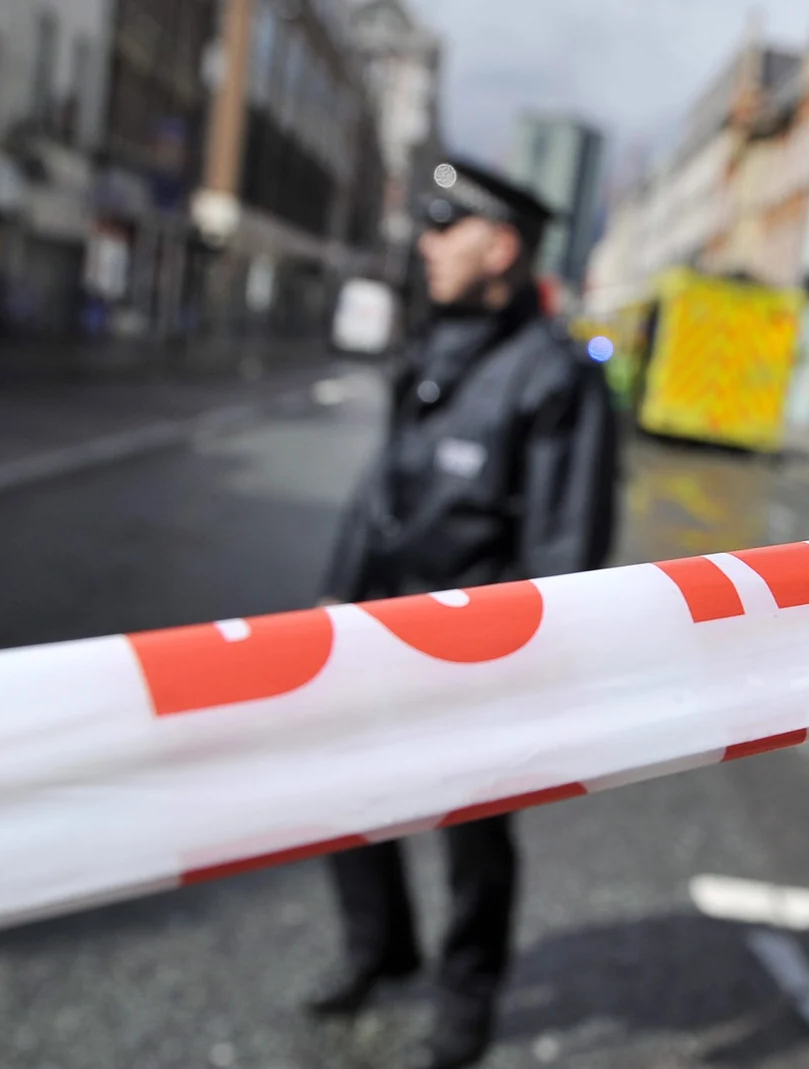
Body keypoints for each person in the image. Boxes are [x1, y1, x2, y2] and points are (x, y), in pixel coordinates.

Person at [306, 156, 620, 1069]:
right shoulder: (435, 346)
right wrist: (339, 588)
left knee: (474, 838)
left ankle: (466, 1001)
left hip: (477, 655)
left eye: (450, 226)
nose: (428, 242)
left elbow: (565, 550)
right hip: (376, 628)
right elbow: (383, 488)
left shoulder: (556, 376)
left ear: (504, 247)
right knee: (342, 799)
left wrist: (515, 670)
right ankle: (381, 948)